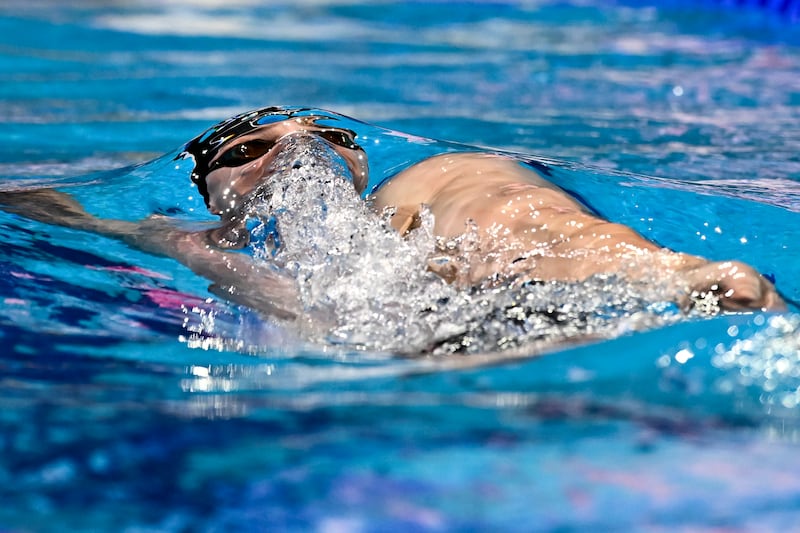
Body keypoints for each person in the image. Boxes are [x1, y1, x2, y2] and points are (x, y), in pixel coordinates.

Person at [0, 107, 785, 322]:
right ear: (209, 190)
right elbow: (55, 211)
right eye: (251, 151)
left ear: (360, 164)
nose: (295, 156)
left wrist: (670, 272)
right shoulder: (188, 240)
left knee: (491, 195)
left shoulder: (410, 197)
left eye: (324, 141)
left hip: (511, 311)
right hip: (446, 368)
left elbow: (513, 213)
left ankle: (687, 278)